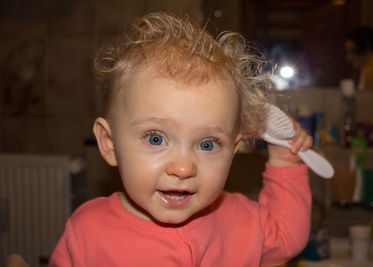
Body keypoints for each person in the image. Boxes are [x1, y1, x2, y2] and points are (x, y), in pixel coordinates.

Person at [50, 12, 313, 266]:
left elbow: (287, 236)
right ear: (109, 143)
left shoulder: (239, 220)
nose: (184, 168)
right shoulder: (88, 233)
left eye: (207, 144)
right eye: (155, 139)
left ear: (233, 150)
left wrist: (285, 160)